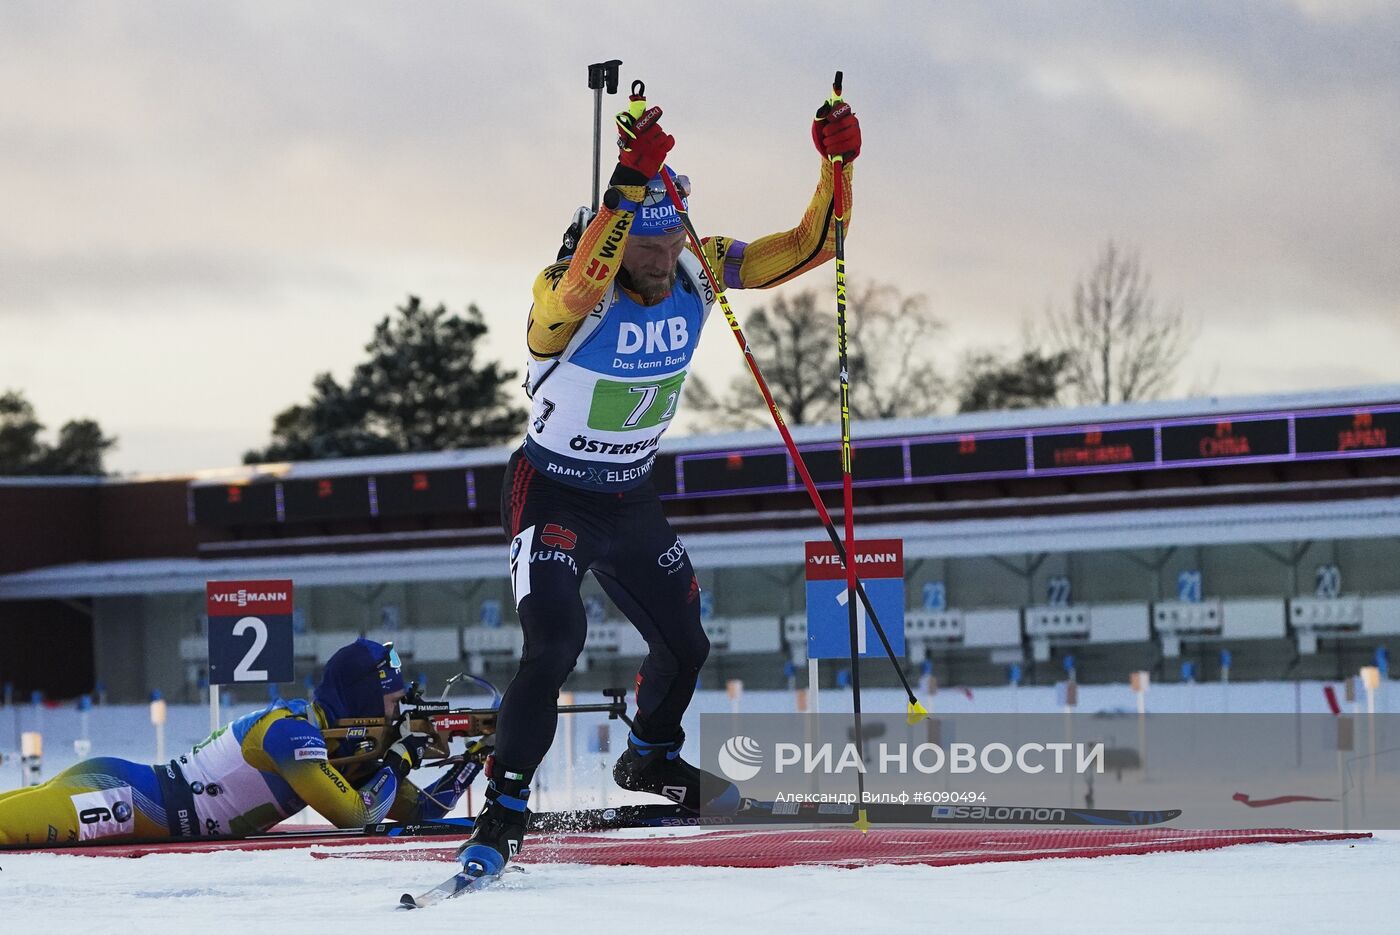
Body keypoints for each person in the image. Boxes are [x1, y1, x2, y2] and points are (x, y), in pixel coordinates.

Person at [457, 88, 861, 877]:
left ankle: (649, 756)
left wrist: (837, 165)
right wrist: (626, 186)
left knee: (685, 642)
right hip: (555, 492)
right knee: (556, 642)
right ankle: (504, 805)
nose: (661, 257)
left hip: (631, 498)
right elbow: (579, 287)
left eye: (671, 237)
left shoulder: (696, 268)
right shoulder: (564, 295)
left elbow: (811, 246)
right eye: (644, 244)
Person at [0, 638, 464, 847]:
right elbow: (356, 816)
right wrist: (399, 759)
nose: (398, 714)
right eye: (393, 702)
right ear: (363, 699)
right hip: (122, 798)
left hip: (129, 795)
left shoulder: (338, 752)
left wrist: (475, 760)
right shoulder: (292, 733)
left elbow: (422, 813)